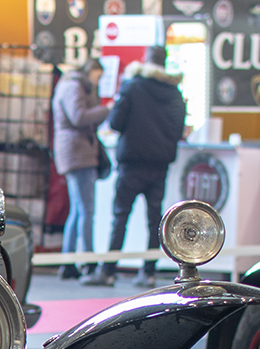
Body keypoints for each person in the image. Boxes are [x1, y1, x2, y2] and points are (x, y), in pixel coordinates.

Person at [88, 46, 187, 288]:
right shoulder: (175, 92)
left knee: (120, 216)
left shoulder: (132, 86)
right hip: (160, 164)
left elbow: (116, 122)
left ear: (145, 60)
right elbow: (178, 130)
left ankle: (108, 271)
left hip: (132, 163)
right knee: (155, 220)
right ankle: (148, 272)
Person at [50, 60, 109, 281]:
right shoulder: (74, 87)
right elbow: (78, 116)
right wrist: (105, 110)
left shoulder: (68, 85)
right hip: (78, 152)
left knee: (77, 210)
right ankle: (88, 262)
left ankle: (68, 262)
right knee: (86, 210)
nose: (98, 81)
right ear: (91, 71)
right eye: (98, 76)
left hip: (73, 151)